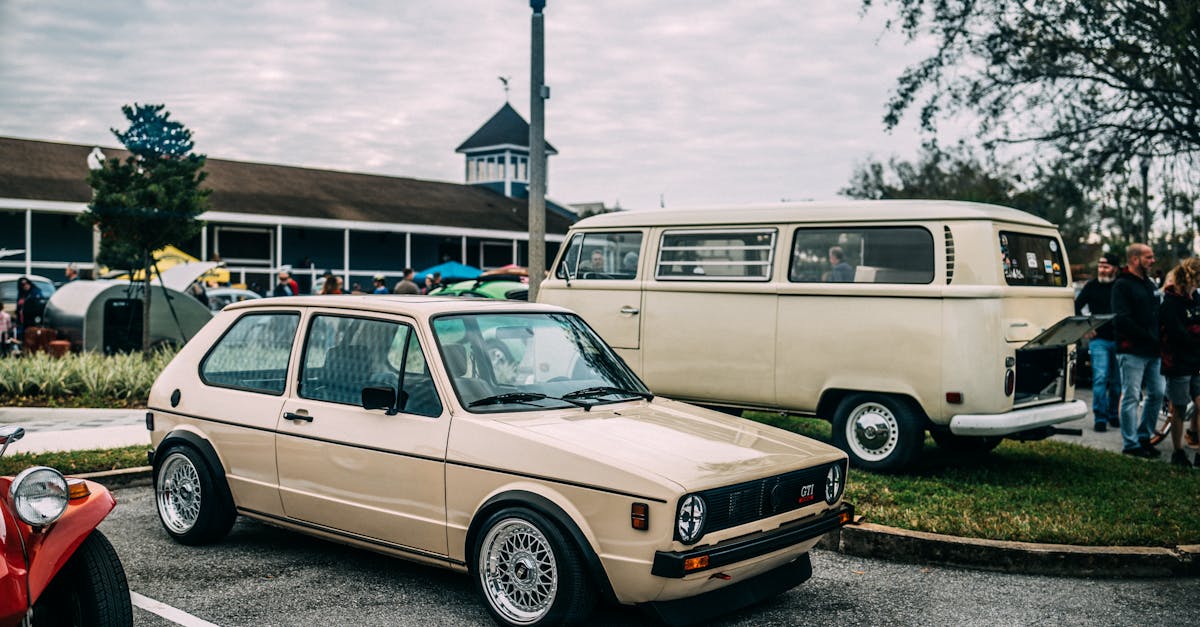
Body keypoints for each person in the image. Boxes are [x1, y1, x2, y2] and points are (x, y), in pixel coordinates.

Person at [1112, 243, 1165, 458]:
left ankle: (1144, 437)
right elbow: (1122, 319)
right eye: (1148, 257)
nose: (1153, 261)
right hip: (1131, 350)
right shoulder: (1122, 285)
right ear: (1135, 259)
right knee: (1132, 395)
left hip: (1154, 352)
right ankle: (1131, 443)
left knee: (1158, 393)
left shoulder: (1149, 284)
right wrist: (1147, 336)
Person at [1158, 258, 1200, 468]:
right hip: (1177, 362)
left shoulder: (1196, 298)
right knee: (1180, 409)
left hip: (1196, 361)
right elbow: (1177, 333)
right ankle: (1178, 451)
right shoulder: (1171, 302)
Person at [1074, 252, 1122, 432]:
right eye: (1100, 266)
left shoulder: (1120, 286)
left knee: (1117, 383)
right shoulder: (1092, 286)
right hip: (1099, 340)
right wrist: (1086, 327)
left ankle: (1113, 414)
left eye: (1106, 266)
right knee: (1100, 379)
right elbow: (1076, 306)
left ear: (1115, 269)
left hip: (1120, 341)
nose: (1102, 270)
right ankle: (1100, 418)